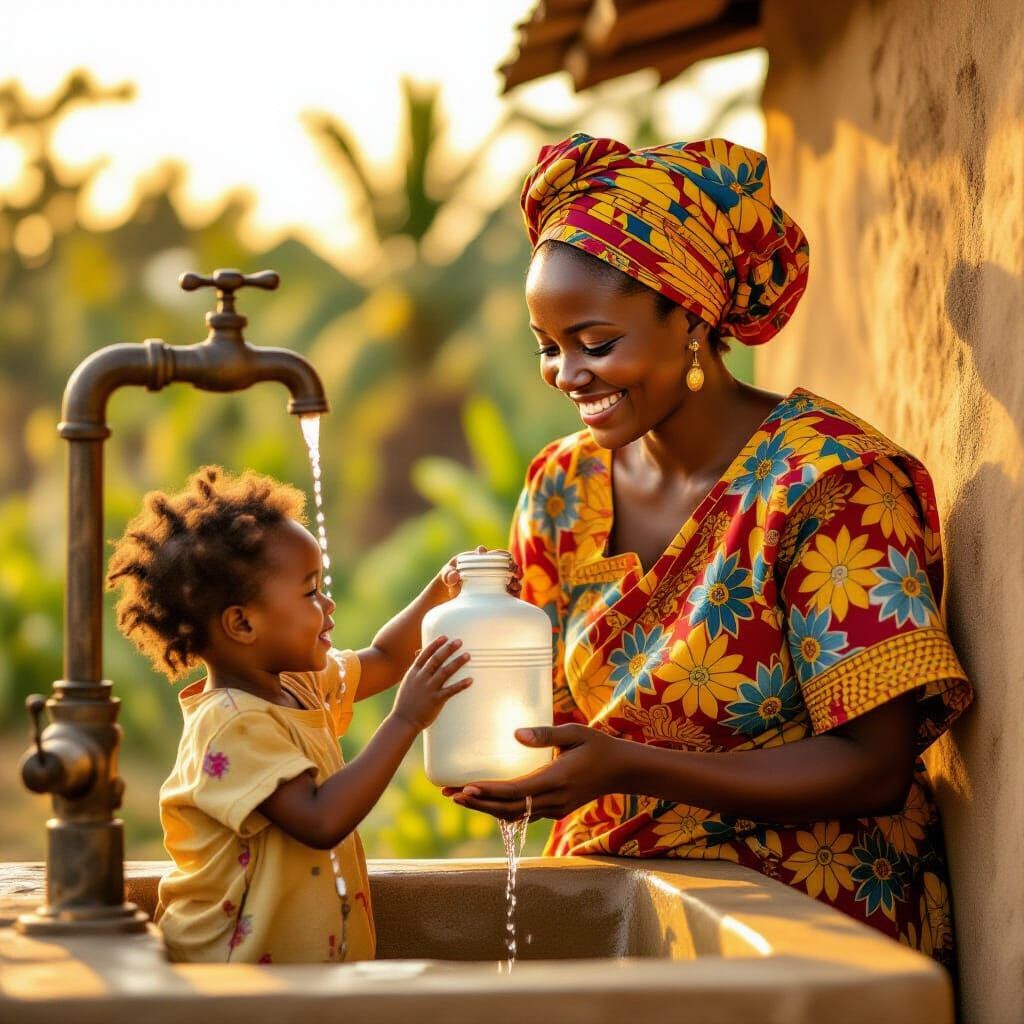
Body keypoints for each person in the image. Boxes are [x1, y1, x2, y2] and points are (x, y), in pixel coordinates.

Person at [445, 133, 972, 967]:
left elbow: (873, 766)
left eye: (595, 341)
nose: (567, 375)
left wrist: (629, 767)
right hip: (619, 908)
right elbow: (546, 718)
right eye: (548, 346)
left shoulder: (825, 481)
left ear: (689, 319)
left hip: (810, 928)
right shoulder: (561, 486)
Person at [106, 465, 487, 963]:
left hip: (295, 983)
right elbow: (319, 817)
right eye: (310, 592)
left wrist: (439, 591)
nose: (328, 605)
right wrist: (405, 721)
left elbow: (388, 658)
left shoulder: (300, 685)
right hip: (228, 985)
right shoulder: (229, 722)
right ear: (241, 622)